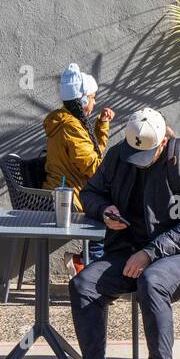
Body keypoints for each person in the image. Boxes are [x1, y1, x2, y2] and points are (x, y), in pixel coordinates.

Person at [70, 108, 180, 359]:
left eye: (146, 157)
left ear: (162, 143)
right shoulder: (117, 156)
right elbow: (89, 193)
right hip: (127, 251)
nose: (139, 163)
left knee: (152, 280)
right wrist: (104, 210)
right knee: (83, 284)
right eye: (134, 156)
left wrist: (150, 253)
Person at [44, 63, 113, 273]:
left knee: (112, 209)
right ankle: (88, 265)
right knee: (112, 213)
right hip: (69, 197)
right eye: (92, 97)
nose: (94, 101)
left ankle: (84, 260)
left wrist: (102, 125)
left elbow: (92, 157)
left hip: (70, 191)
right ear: (82, 100)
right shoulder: (71, 127)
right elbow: (93, 167)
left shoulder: (72, 122)